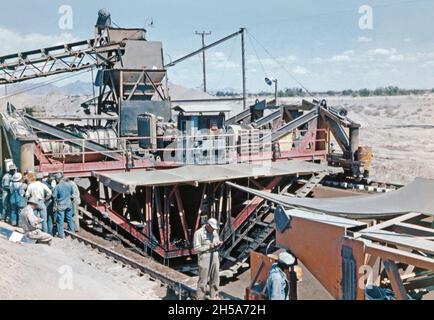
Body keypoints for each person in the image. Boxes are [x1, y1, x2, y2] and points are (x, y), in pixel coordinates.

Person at [193, 218, 222, 300]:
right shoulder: (198, 233)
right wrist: (209, 246)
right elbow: (196, 248)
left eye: (214, 228)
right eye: (212, 228)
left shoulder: (214, 231)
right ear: (207, 225)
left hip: (215, 255)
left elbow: (217, 240)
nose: (213, 229)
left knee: (216, 277)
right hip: (205, 256)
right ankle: (200, 297)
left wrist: (218, 243)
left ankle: (214, 296)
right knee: (203, 279)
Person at [53, 173, 75, 238]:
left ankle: (60, 234)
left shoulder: (58, 186)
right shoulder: (69, 185)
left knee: (60, 220)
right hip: (69, 203)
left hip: (61, 204)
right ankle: (72, 232)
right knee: (69, 218)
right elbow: (72, 193)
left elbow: (54, 196)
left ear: (57, 179)